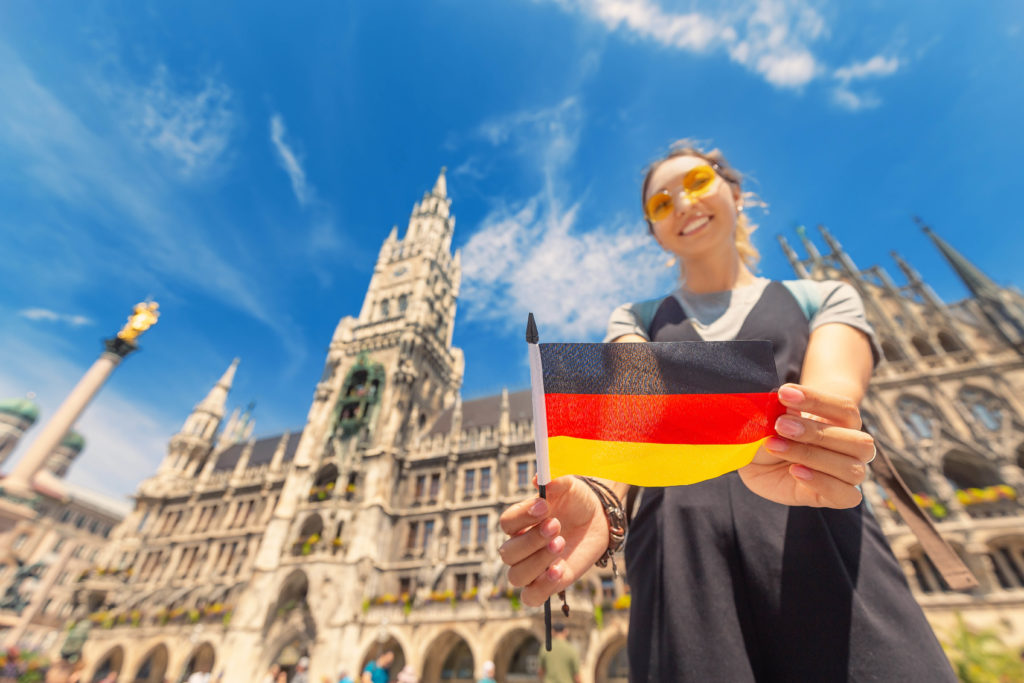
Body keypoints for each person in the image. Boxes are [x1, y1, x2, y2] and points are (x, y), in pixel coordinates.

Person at [499, 141, 957, 681]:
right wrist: (602, 497)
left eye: (694, 183)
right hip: (682, 556)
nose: (682, 204)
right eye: (660, 204)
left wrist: (820, 438)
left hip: (815, 530)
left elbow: (834, 392)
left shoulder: (825, 297)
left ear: (735, 193)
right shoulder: (635, 318)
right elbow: (632, 418)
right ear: (655, 231)